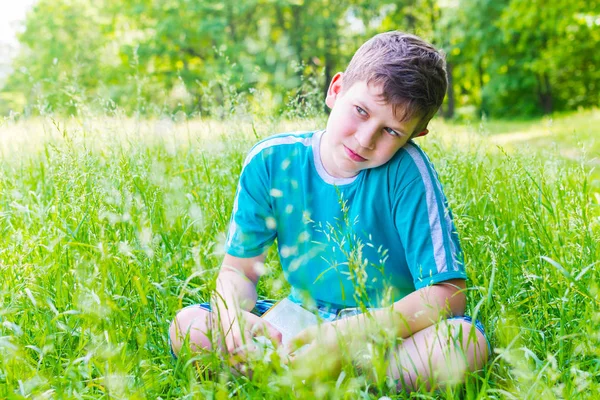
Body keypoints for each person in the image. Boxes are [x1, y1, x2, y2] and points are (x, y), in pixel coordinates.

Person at [169, 31, 490, 391]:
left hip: (382, 334)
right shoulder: (271, 160)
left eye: (391, 131)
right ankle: (312, 373)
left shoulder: (408, 173)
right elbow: (239, 272)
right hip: (297, 326)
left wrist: (349, 337)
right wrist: (232, 318)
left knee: (462, 343)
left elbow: (449, 293)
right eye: (361, 111)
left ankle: (334, 378)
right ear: (335, 89)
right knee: (190, 326)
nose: (365, 138)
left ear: (417, 134)